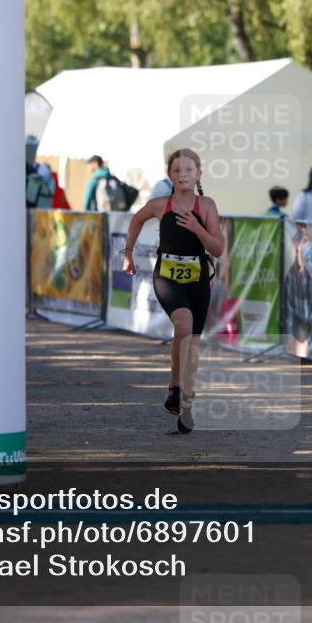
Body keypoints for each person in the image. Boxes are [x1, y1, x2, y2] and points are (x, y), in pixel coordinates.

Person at [122, 149, 223, 434]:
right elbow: (137, 219)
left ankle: (185, 402)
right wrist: (128, 253)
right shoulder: (158, 205)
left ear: (198, 175)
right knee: (183, 324)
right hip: (167, 274)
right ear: (170, 175)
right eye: (177, 170)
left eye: (189, 170)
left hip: (198, 275)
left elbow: (217, 248)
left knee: (191, 342)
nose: (183, 175)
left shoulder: (207, 206)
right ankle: (174, 385)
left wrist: (198, 229)